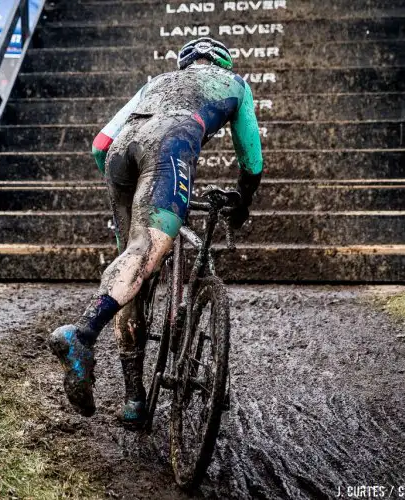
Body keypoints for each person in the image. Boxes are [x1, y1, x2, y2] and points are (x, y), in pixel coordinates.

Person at [47, 38, 264, 428]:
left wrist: (131, 194)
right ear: (222, 63)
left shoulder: (157, 83)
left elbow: (100, 145)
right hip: (169, 144)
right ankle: (81, 335)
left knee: (130, 267)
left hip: (120, 152)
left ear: (185, 65)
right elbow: (252, 162)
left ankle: (134, 399)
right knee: (145, 253)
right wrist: (242, 206)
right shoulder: (235, 84)